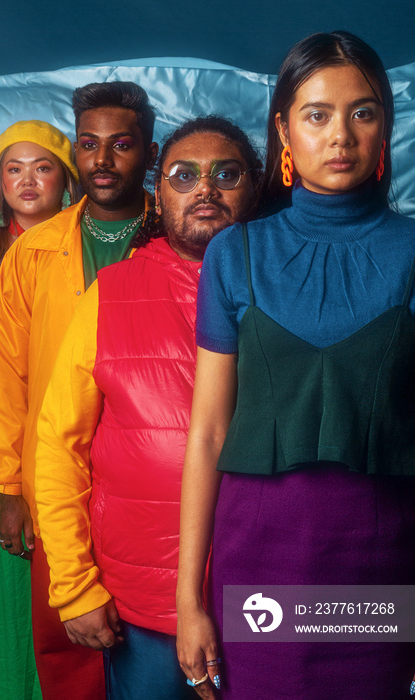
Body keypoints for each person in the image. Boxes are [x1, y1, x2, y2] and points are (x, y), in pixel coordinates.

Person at [177, 31, 415, 700]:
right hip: (259, 561)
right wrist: (189, 599)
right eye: (317, 114)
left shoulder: (412, 250)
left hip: (381, 559)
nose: (340, 134)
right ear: (283, 129)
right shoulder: (234, 253)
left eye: (363, 112)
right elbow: (208, 435)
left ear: (385, 127)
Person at [34, 116, 262, 700]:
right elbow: (59, 444)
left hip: (264, 590)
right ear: (157, 195)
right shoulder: (109, 293)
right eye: (185, 176)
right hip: (142, 602)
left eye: (226, 174)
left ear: (255, 188)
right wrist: (76, 586)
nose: (205, 189)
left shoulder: (286, 288)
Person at [0, 82, 159, 700]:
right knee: (67, 645)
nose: (102, 161)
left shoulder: (178, 236)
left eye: (121, 144)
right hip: (57, 475)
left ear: (149, 152)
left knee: (157, 639)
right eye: (88, 145)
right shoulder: (33, 252)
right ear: (76, 154)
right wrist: (7, 487)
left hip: (153, 478)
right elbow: (4, 377)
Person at [0, 119, 79, 700]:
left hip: (64, 424)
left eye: (43, 166)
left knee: (61, 562)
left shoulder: (84, 250)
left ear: (66, 180)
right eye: (13, 168)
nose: (27, 181)